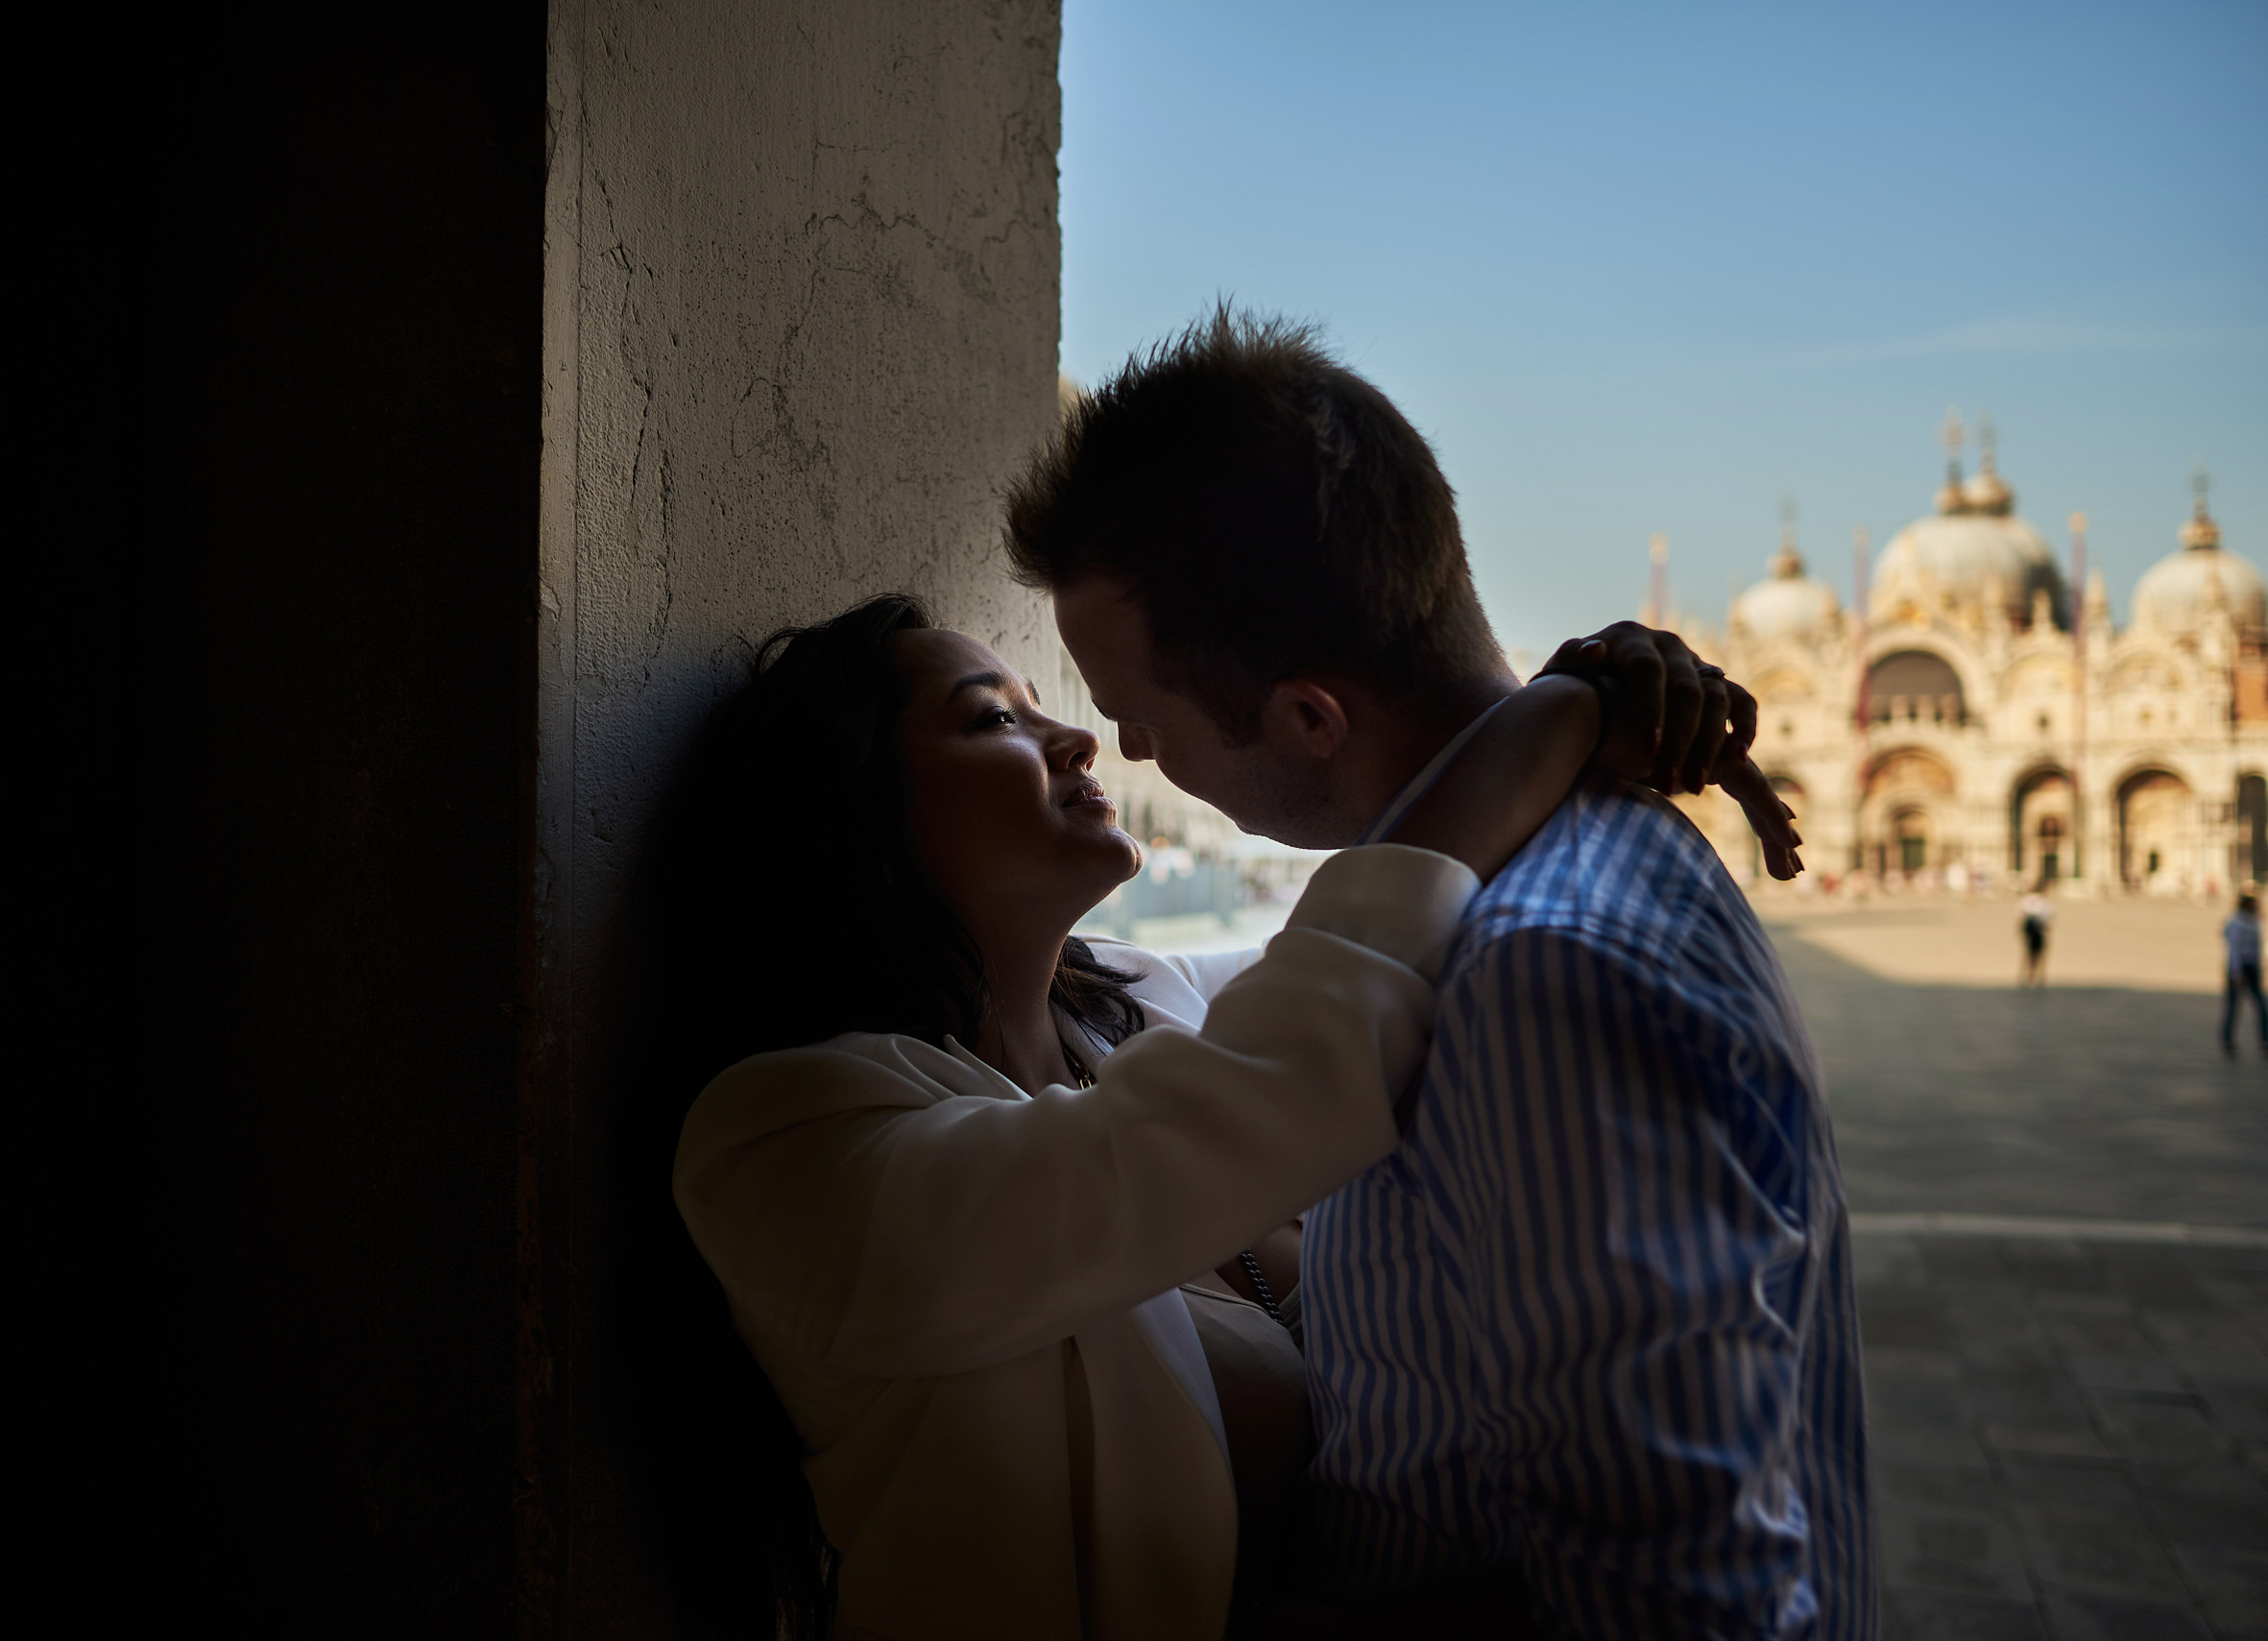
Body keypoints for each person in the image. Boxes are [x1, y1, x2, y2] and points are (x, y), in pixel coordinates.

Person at [660, 593, 1793, 1641]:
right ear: (856, 814)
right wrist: (1552, 710)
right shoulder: (784, 1147)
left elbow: (1392, 943)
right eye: (991, 721)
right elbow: (1311, 1033)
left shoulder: (1133, 1006)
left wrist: (1586, 690)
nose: (1077, 740)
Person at [1011, 308, 1868, 1638]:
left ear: (1306, 718)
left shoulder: (1537, 981)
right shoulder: (1573, 858)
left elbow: (1681, 1597)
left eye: (1145, 724)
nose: (1126, 754)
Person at [2222, 893, 2264, 1057]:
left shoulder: (2254, 922)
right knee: (2234, 1007)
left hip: (2252, 968)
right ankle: (2228, 1040)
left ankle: (2264, 1040)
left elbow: (2257, 948)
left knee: (2261, 1006)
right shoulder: (2236, 923)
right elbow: (2234, 950)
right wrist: (2236, 973)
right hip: (2239, 968)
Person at [2020, 888, 2051, 987]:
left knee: (2031, 954)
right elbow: (2048, 917)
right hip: (2036, 929)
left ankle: (2032, 976)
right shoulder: (2042, 903)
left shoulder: (2027, 901)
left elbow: (2022, 915)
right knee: (2038, 954)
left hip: (2032, 929)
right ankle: (2037, 975)